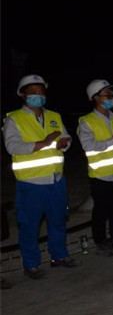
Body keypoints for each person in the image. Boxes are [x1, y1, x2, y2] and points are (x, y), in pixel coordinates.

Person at [3, 74, 76, 278]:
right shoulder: (14, 119)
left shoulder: (54, 116)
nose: (38, 95)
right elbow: (12, 146)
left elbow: (65, 138)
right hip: (31, 183)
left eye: (41, 91)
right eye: (33, 92)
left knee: (58, 220)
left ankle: (59, 256)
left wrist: (63, 143)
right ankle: (31, 264)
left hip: (56, 179)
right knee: (29, 225)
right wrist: (44, 143)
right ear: (23, 95)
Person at [77, 79, 113, 256]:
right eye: (106, 94)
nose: (110, 97)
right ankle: (100, 241)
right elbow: (88, 145)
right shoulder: (87, 121)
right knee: (101, 211)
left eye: (111, 94)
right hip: (101, 175)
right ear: (95, 97)